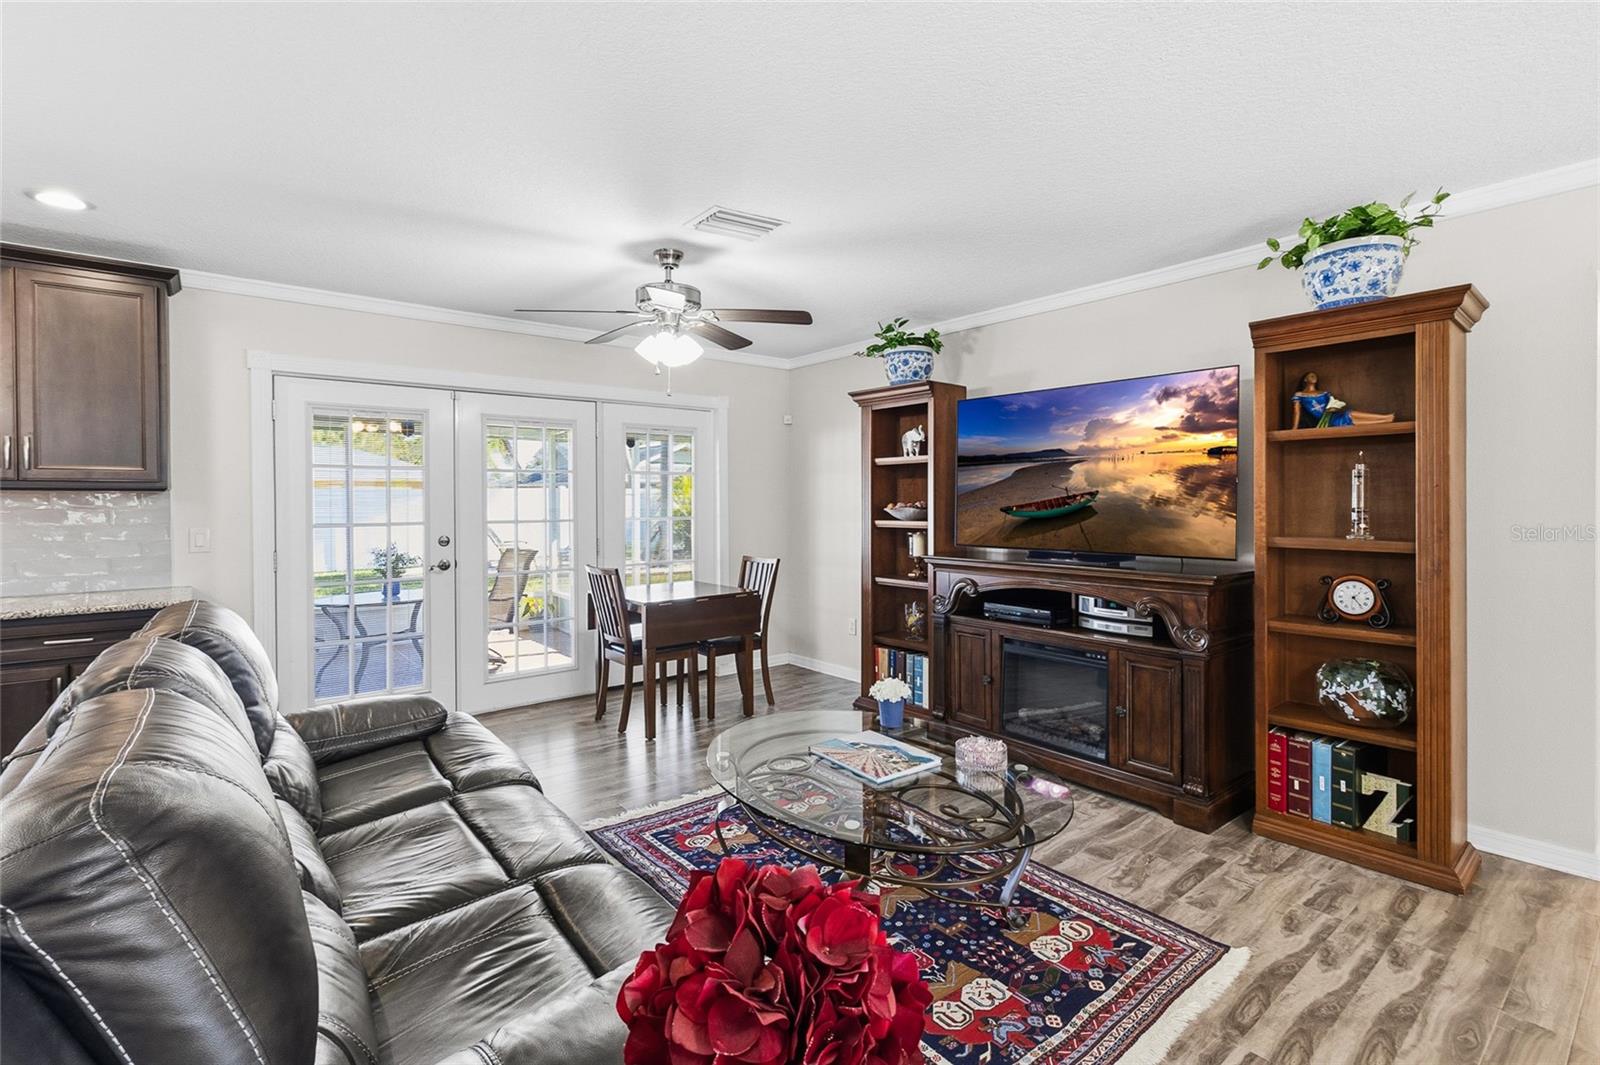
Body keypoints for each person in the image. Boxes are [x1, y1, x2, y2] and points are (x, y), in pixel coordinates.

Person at [1291, 371, 1395, 429]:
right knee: (1350, 419)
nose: (1313, 376)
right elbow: (1297, 412)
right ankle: (1384, 420)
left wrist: (1334, 407)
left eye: (1314, 375)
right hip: (1325, 421)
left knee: (1350, 413)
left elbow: (1331, 404)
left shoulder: (1324, 393)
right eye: (1310, 375)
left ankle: (1385, 417)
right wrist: (1294, 429)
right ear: (1305, 380)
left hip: (1333, 415)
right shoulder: (1299, 395)